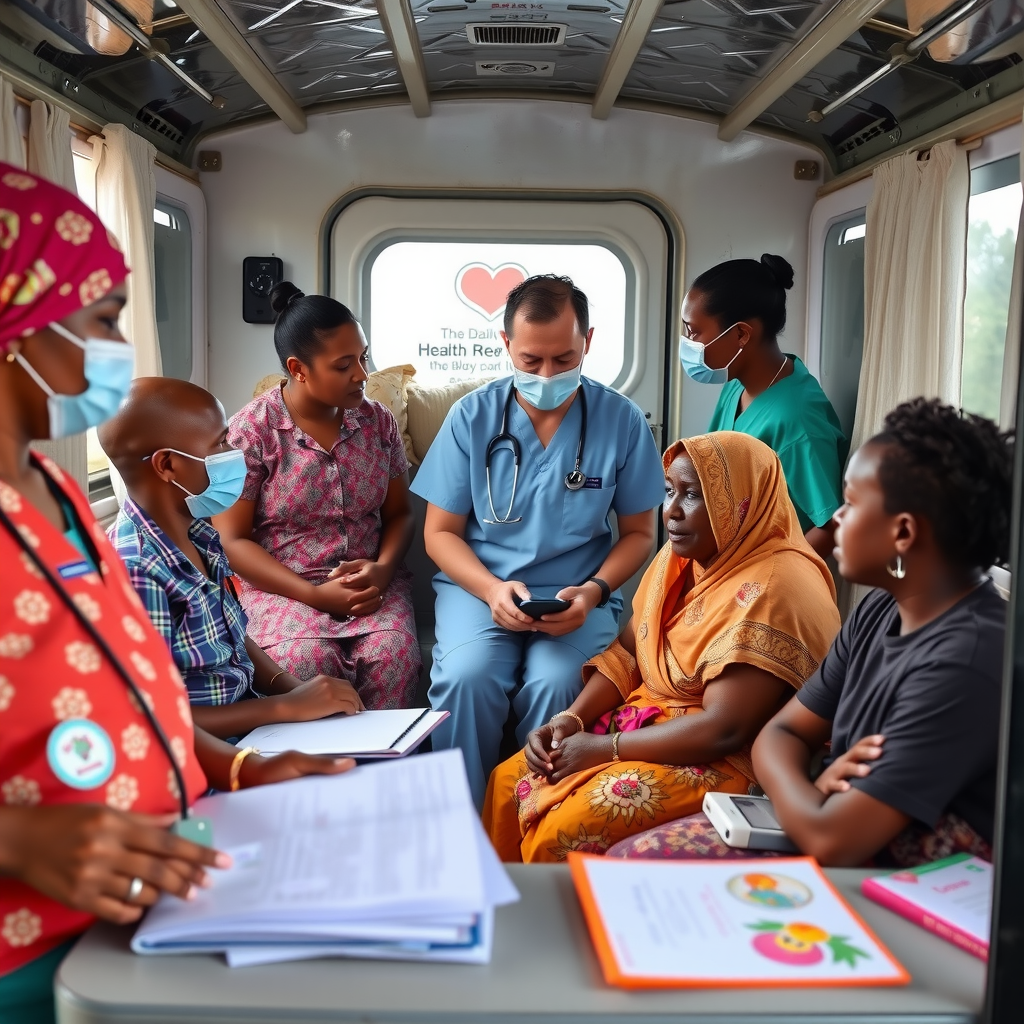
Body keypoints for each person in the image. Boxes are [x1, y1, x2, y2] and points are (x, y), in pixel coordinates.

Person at [0, 165, 354, 1023]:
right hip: (30, 939)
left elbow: (131, 685)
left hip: (160, 879)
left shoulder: (49, 483)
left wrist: (236, 767)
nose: (119, 345)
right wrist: (20, 838)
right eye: (105, 320)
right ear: (17, 330)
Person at [609, 399, 1010, 868]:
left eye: (854, 504)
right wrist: (814, 790)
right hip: (834, 820)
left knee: (637, 865)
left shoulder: (965, 661)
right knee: (629, 858)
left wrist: (812, 797)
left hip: (920, 872)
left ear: (903, 533)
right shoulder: (881, 607)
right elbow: (777, 736)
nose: (836, 519)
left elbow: (834, 840)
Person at [483, 431, 841, 862]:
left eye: (693, 496)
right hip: (648, 724)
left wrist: (602, 749)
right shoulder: (681, 559)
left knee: (564, 827)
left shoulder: (774, 587)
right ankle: (505, 920)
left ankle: (564, 927)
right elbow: (628, 654)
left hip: (723, 758)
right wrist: (572, 718)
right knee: (507, 780)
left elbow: (723, 728)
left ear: (741, 502)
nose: (670, 511)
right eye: (670, 491)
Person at [411, 275, 665, 806]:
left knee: (559, 688)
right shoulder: (472, 418)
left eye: (564, 359)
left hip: (578, 592)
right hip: (481, 589)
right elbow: (439, 533)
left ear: (588, 343)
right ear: (506, 345)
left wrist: (595, 590)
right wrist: (490, 591)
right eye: (531, 361)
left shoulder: (621, 421)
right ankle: (461, 823)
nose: (548, 374)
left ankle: (534, 821)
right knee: (466, 678)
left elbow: (642, 533)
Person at [101, 377, 365, 739]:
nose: (233, 453)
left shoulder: (199, 536)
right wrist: (284, 708)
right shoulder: (135, 571)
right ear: (167, 466)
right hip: (210, 758)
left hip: (252, 726)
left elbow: (232, 639)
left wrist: (291, 687)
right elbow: (153, 721)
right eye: (219, 443)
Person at [215, 283, 420, 711]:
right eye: (344, 365)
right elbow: (232, 541)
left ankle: (388, 777)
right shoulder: (251, 431)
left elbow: (400, 514)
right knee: (305, 661)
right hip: (282, 586)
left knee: (392, 658)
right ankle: (319, 776)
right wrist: (312, 595)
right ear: (299, 368)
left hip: (371, 582)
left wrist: (382, 570)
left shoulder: (377, 422)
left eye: (363, 358)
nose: (362, 374)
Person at [679, 255, 847, 559]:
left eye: (694, 332)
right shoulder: (736, 385)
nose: (687, 342)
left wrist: (768, 577)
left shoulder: (796, 419)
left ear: (741, 334)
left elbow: (831, 523)